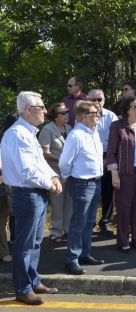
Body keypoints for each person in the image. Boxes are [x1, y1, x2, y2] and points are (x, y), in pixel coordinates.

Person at [1, 91, 61, 305]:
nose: (45, 110)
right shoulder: (17, 134)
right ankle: (23, 289)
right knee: (24, 244)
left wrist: (53, 176)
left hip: (35, 193)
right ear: (28, 110)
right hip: (26, 194)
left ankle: (33, 281)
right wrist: (50, 184)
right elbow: (26, 170)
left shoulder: (28, 133)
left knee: (35, 242)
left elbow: (39, 163)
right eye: (41, 107)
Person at [59, 100, 104, 275]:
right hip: (82, 184)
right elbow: (64, 162)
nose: (98, 115)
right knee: (78, 223)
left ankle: (84, 254)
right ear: (84, 116)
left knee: (89, 222)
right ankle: (71, 259)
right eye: (95, 113)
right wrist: (67, 176)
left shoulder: (94, 133)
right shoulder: (77, 135)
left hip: (95, 182)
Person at [107, 96, 136, 253]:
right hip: (125, 173)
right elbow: (111, 152)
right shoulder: (117, 126)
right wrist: (114, 174)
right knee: (124, 207)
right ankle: (123, 241)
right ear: (127, 109)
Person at [38, 102, 73, 242]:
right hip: (55, 171)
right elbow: (44, 152)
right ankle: (56, 231)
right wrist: (61, 160)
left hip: (69, 171)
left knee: (70, 202)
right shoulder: (47, 129)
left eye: (67, 111)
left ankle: (68, 229)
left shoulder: (70, 128)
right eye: (63, 113)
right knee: (58, 202)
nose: (67, 115)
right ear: (54, 115)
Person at [88, 89, 118, 236]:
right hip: (89, 157)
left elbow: (115, 141)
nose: (96, 102)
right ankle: (90, 222)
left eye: (99, 99)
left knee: (108, 191)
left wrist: (107, 160)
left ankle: (105, 222)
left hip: (108, 155)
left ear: (104, 100)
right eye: (93, 100)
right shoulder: (83, 116)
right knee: (91, 192)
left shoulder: (111, 116)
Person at [1, 113, 18, 247]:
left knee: (13, 211)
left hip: (14, 182)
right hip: (7, 183)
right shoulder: (5, 141)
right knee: (6, 215)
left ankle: (14, 237)